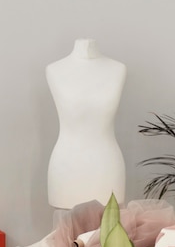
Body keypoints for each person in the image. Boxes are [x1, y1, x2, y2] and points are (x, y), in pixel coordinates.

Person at [46, 38, 126, 209]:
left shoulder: (118, 69)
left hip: (107, 165)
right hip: (67, 164)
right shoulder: (54, 70)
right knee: (64, 232)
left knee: (107, 231)